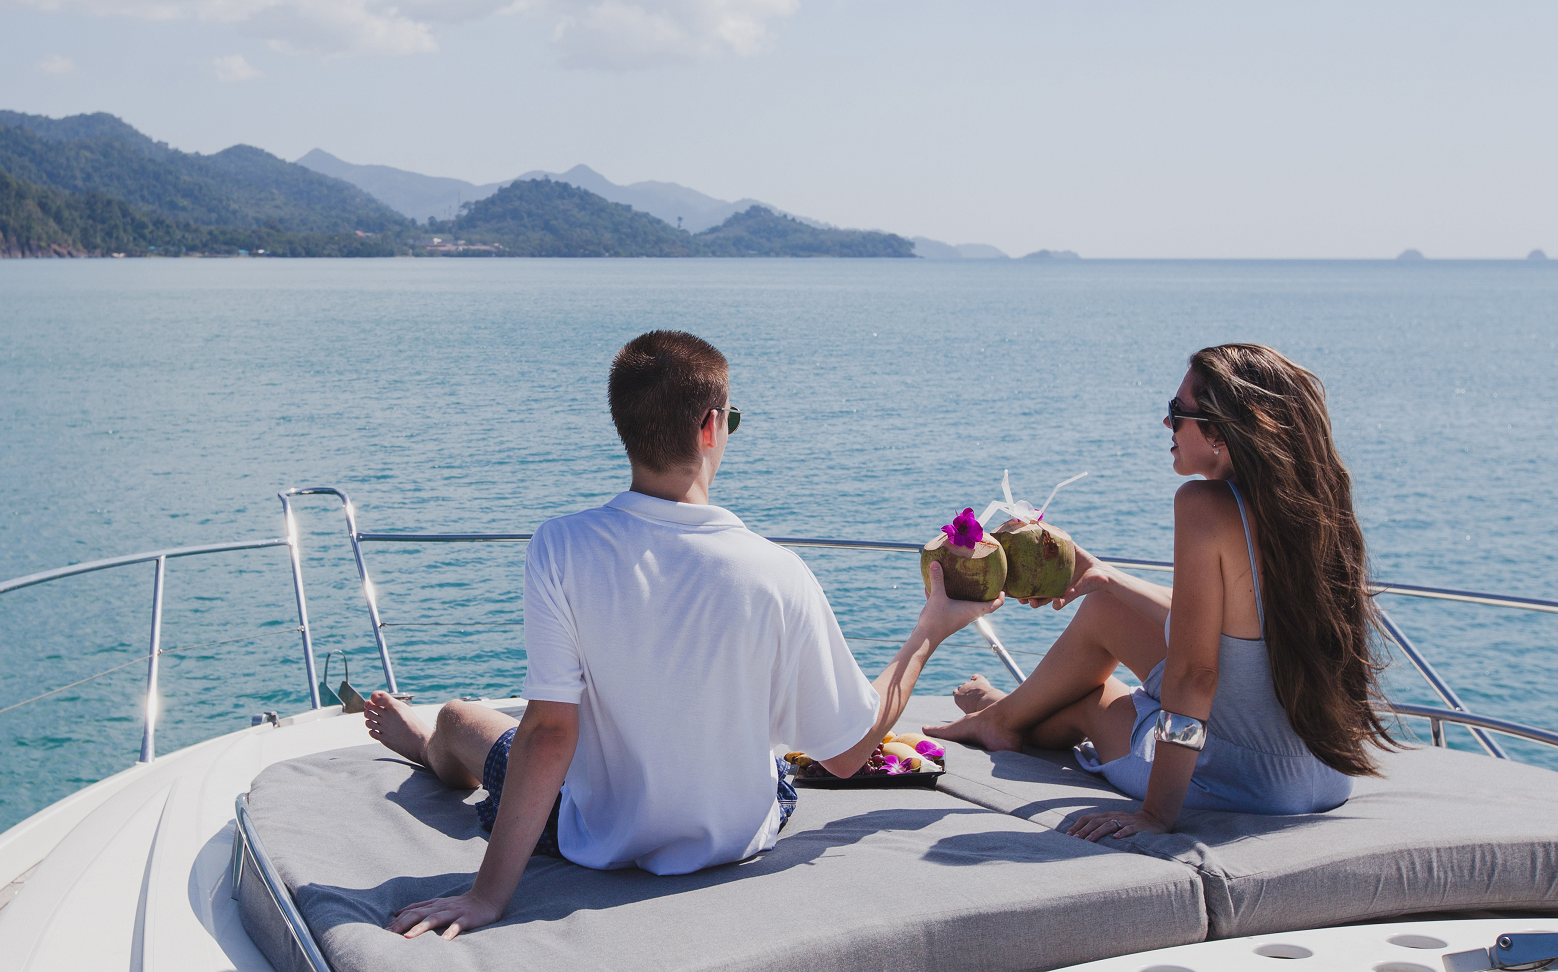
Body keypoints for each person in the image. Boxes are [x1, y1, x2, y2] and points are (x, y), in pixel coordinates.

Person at [364, 329, 1003, 939]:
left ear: (623, 427)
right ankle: (427, 740)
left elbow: (551, 733)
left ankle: (428, 743)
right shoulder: (778, 572)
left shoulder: (561, 547)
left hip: (595, 837)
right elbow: (845, 753)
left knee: (460, 718)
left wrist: (486, 896)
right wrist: (929, 629)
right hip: (740, 836)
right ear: (709, 426)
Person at [926, 343, 1396, 839]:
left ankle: (1002, 718)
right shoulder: (1314, 505)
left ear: (1219, 429)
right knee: (1104, 605)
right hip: (1324, 773)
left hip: (1245, 783)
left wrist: (1156, 815)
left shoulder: (1203, 505)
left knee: (1095, 700)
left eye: (1177, 411)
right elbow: (1233, 628)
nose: (1166, 423)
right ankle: (1004, 714)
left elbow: (1196, 674)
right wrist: (1104, 575)